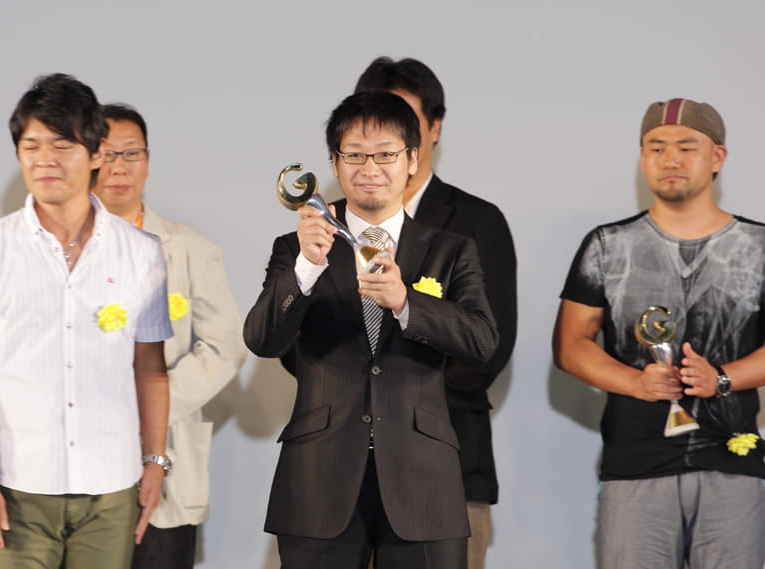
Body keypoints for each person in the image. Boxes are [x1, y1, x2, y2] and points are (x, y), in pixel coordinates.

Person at [244, 91, 498, 569]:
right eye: (355, 155)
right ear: (334, 164)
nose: (370, 168)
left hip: (423, 480)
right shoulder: (297, 247)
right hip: (319, 479)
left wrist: (406, 303)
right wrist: (306, 268)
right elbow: (262, 339)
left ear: (412, 159)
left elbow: (481, 341)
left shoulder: (451, 250)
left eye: (385, 154)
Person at [0, 74, 173, 569]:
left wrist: (155, 461)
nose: (44, 159)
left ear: (96, 153)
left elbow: (150, 368)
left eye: (62, 144)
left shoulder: (141, 253)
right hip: (17, 488)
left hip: (112, 487)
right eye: (31, 146)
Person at [553, 98, 765, 568]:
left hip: (732, 465)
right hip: (635, 467)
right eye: (656, 147)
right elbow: (570, 346)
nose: (670, 159)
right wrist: (636, 382)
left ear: (717, 157)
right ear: (642, 156)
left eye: (687, 147)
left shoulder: (759, 246)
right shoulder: (607, 246)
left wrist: (722, 378)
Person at [355, 57, 517, 569]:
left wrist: (398, 401)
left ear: (434, 127)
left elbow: (487, 348)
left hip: (446, 463)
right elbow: (299, 346)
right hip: (342, 472)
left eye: (403, 120)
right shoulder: (329, 225)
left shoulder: (475, 222)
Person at [93, 103, 246, 569]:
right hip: (82, 458)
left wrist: (148, 406)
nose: (120, 167)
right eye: (107, 154)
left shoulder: (191, 248)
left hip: (165, 461)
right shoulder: (59, 249)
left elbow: (224, 347)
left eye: (132, 153)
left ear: (148, 159)